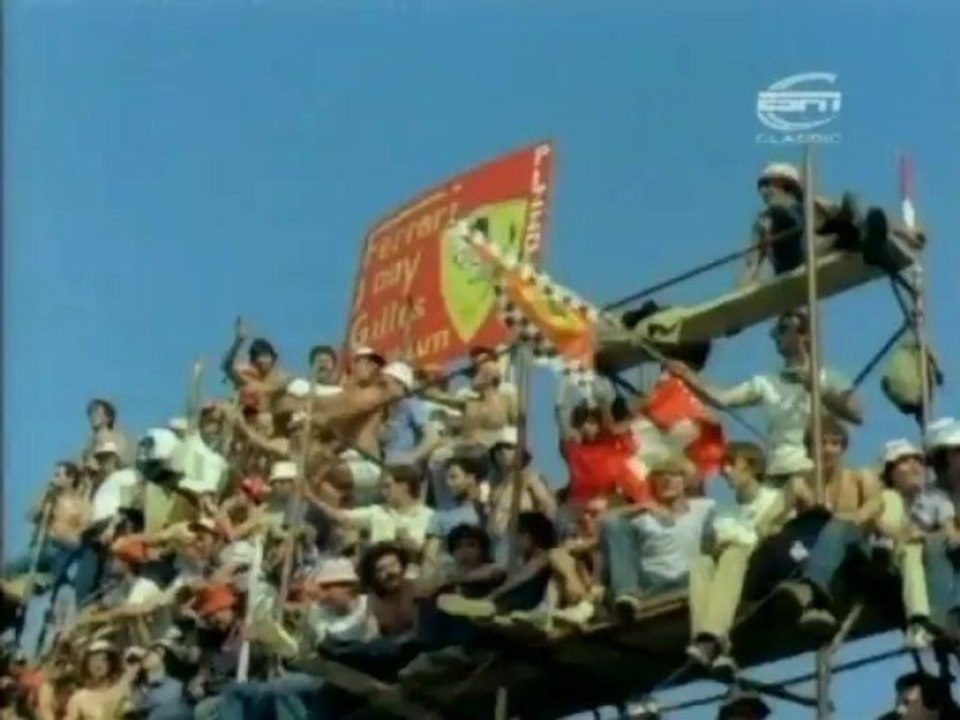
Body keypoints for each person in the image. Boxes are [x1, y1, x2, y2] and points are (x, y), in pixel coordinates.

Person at [668, 310, 862, 476]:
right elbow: (721, 399)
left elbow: (857, 414)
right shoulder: (765, 382)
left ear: (804, 334)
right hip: (780, 471)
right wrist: (687, 375)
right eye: (774, 331)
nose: (775, 336)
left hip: (818, 471)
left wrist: (818, 389)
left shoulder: (829, 377)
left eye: (782, 329)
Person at [687, 441, 782, 671]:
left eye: (731, 464)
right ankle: (706, 640)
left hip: (764, 565)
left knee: (733, 554)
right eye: (723, 465)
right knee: (701, 563)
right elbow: (718, 541)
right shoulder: (725, 510)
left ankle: (712, 637)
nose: (725, 471)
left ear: (752, 467)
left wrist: (737, 541)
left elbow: (770, 536)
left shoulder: (775, 498)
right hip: (731, 570)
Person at [600, 453, 715, 615]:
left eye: (674, 474)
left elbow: (710, 544)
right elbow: (607, 521)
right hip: (652, 582)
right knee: (615, 526)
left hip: (687, 578)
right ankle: (627, 594)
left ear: (686, 481)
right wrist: (643, 507)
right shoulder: (642, 518)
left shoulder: (704, 508)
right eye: (660, 476)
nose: (667, 481)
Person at [874, 439, 955, 649]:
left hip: (922, 560)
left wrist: (922, 537)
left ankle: (919, 623)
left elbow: (950, 531)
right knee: (888, 498)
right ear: (890, 470)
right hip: (885, 559)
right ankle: (885, 548)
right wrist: (901, 533)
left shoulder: (936, 497)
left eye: (918, 461)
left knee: (912, 550)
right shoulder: (882, 496)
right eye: (904, 461)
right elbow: (872, 519)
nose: (914, 466)